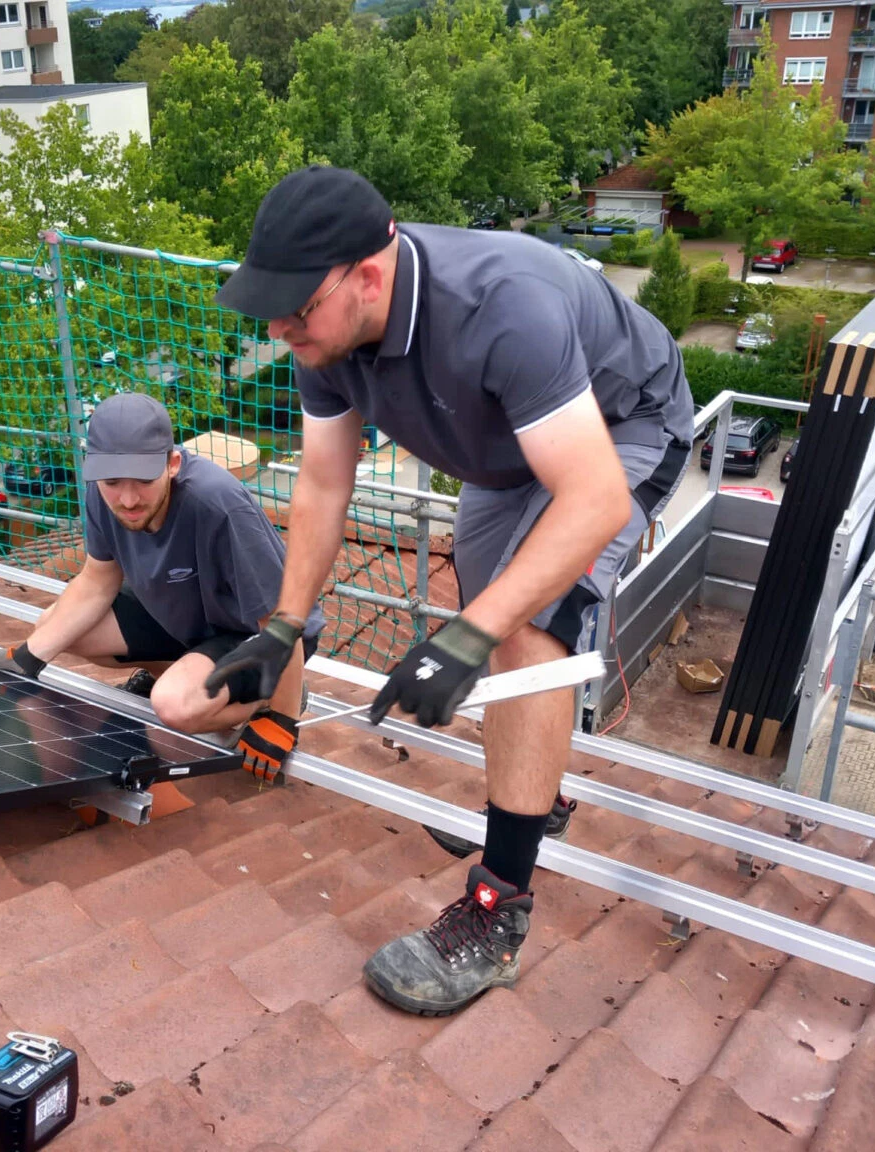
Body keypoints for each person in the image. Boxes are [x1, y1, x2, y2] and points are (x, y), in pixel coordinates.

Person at [207, 166, 694, 1015]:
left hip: (617, 433)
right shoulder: (326, 338)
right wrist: (283, 627)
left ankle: (496, 912)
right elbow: (324, 484)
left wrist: (472, 634)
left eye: (295, 306)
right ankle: (541, 802)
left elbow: (593, 498)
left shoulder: (502, 305)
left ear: (369, 273)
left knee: (519, 633)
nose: (279, 327)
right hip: (507, 453)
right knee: (492, 609)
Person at [0, 392, 325, 783]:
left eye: (143, 480)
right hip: (183, 617)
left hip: (254, 633)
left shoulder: (218, 504)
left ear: (171, 464)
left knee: (174, 705)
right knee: (53, 625)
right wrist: (27, 657)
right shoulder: (102, 493)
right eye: (114, 482)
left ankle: (265, 699)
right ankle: (184, 673)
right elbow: (96, 580)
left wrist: (283, 718)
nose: (129, 498)